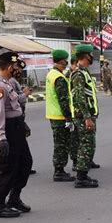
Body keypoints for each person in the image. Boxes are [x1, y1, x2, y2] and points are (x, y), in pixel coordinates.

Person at [0, 52, 33, 218]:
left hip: (17, 128)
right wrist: (2, 139)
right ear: (8, 67)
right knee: (7, 168)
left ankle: (14, 198)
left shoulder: (7, 84)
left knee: (25, 163)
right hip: (7, 131)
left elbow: (14, 106)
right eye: (14, 67)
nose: (16, 69)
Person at [70, 44, 99, 188]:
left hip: (87, 115)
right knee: (86, 145)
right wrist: (87, 117)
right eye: (91, 54)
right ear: (86, 56)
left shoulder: (84, 72)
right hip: (83, 116)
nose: (92, 57)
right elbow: (80, 98)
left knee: (89, 144)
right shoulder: (78, 74)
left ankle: (83, 174)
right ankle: (81, 177)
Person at [45, 49, 75, 182]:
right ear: (62, 61)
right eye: (65, 61)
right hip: (60, 117)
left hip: (53, 115)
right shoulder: (59, 78)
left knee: (59, 143)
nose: (66, 64)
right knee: (62, 145)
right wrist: (69, 117)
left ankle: (59, 169)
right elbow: (63, 100)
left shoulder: (51, 74)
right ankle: (59, 171)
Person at [9, 61, 35, 174]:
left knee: (21, 144)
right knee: (17, 145)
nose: (19, 71)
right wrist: (24, 94)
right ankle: (18, 168)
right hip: (14, 119)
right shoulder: (10, 81)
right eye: (17, 68)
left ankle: (23, 166)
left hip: (19, 117)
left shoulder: (14, 81)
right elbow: (14, 100)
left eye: (20, 69)